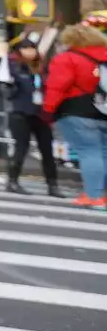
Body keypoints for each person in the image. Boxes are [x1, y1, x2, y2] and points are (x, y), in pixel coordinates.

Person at [43, 21, 107, 209]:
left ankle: (92, 195)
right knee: (103, 153)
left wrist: (48, 110)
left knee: (88, 152)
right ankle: (101, 194)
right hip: (104, 110)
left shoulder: (68, 58)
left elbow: (57, 86)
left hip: (76, 111)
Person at [2, 38, 62, 197]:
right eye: (25, 48)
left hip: (41, 113)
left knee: (47, 150)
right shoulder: (14, 66)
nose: (29, 51)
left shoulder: (42, 68)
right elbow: (2, 87)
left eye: (32, 48)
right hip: (21, 112)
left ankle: (52, 184)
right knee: (21, 148)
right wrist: (10, 87)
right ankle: (12, 181)